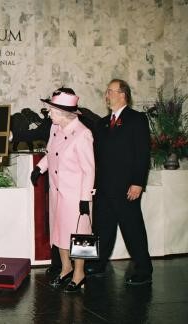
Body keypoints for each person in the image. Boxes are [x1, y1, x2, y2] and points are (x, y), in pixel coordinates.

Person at [86, 79, 152, 286]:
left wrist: (138, 182)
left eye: (110, 91)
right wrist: (94, 184)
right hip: (104, 188)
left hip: (127, 187)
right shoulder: (103, 123)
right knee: (102, 228)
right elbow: (97, 157)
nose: (107, 95)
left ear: (123, 94)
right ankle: (98, 263)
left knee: (132, 228)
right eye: (106, 92)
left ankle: (143, 269)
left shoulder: (136, 119)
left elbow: (142, 153)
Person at [31, 88, 95, 293]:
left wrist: (85, 199)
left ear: (65, 113)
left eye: (52, 110)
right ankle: (66, 268)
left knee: (80, 235)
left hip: (76, 196)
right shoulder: (55, 128)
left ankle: (80, 273)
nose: (48, 114)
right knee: (59, 233)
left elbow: (89, 169)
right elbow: (51, 153)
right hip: (57, 192)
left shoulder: (83, 134)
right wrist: (39, 168)